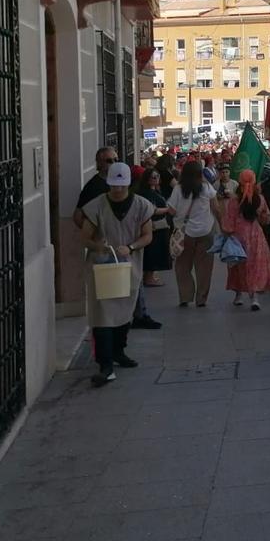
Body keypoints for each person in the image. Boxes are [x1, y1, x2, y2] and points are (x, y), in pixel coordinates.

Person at [79, 163, 154, 387]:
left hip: (128, 267)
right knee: (102, 315)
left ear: (128, 184)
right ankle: (105, 365)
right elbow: (84, 237)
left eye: (122, 186)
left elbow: (147, 235)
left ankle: (119, 352)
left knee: (124, 311)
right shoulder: (96, 206)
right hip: (102, 268)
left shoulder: (141, 206)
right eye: (114, 186)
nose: (118, 190)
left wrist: (131, 247)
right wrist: (98, 246)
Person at [167, 160, 223, 307]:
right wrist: (223, 227)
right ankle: (201, 298)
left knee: (182, 266)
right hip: (206, 230)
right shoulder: (206, 187)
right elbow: (216, 209)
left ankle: (185, 297)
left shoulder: (178, 189)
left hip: (184, 233)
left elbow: (171, 210)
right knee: (204, 267)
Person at [222, 169, 270, 310]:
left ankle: (238, 295)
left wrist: (227, 235)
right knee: (255, 265)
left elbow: (228, 222)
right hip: (256, 236)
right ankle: (254, 297)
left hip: (237, 236)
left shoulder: (234, 201)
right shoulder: (260, 199)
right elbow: (266, 219)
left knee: (237, 266)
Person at [137, 167, 173, 288]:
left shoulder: (154, 191)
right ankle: (149, 277)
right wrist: (168, 209)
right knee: (153, 251)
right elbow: (153, 210)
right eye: (153, 177)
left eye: (158, 176)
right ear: (147, 179)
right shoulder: (147, 193)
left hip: (158, 225)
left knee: (155, 251)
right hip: (154, 226)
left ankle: (150, 276)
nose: (156, 179)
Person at [73, 146, 118, 229]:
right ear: (100, 163)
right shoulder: (93, 186)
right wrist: (93, 233)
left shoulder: (120, 180)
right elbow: (78, 215)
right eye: (109, 161)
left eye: (116, 160)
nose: (114, 163)